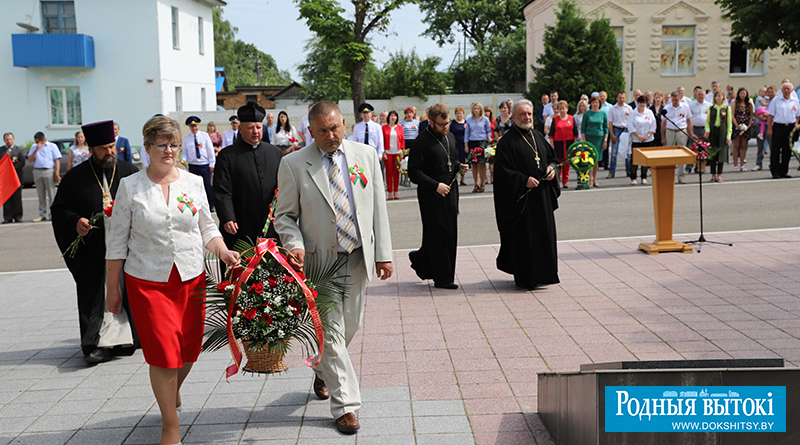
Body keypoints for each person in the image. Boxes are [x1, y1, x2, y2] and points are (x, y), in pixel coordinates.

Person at [106, 115, 239, 445]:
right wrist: (112, 289)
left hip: (191, 276)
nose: (170, 150)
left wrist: (223, 252)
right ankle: (171, 425)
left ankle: (171, 391)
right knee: (164, 352)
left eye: (175, 144)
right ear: (147, 148)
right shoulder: (130, 187)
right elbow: (116, 241)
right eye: (162, 144)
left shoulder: (193, 183)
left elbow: (207, 227)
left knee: (189, 350)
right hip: (147, 280)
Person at [274, 101, 393, 435]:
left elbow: (377, 207)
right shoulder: (294, 163)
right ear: (310, 131)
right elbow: (284, 216)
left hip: (357, 256)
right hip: (319, 263)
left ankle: (322, 370)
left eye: (335, 128)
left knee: (350, 326)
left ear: (345, 123)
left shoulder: (366, 155)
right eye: (322, 130)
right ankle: (346, 407)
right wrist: (294, 244)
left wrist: (383, 253)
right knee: (333, 333)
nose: (330, 135)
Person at [51, 120, 140, 364]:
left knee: (125, 289)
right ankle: (96, 343)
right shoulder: (75, 178)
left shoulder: (129, 173)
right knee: (95, 292)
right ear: (90, 148)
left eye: (112, 146)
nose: (110, 152)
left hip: (125, 248)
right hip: (93, 250)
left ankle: (127, 337)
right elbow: (59, 209)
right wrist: (75, 221)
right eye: (103, 148)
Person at [493, 99, 559, 290]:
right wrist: (523, 180)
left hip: (543, 198)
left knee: (543, 236)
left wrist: (552, 169)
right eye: (522, 114)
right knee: (526, 240)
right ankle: (526, 278)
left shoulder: (538, 136)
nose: (527, 117)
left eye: (529, 114)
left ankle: (544, 275)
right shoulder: (507, 142)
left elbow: (552, 158)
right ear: (513, 116)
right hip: (522, 202)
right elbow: (502, 172)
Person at [408, 103, 467, 289]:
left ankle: (421, 260)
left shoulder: (450, 136)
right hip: (430, 195)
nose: (446, 127)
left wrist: (460, 167)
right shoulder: (421, 142)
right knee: (438, 235)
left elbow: (451, 161)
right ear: (431, 122)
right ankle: (443, 279)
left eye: (447, 123)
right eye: (442, 124)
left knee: (450, 235)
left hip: (450, 193)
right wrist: (435, 186)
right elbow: (413, 172)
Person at [213, 101, 282, 248]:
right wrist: (227, 217)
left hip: (271, 225)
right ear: (240, 129)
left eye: (258, 127)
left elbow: (283, 187)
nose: (255, 131)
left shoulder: (275, 153)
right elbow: (222, 191)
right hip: (239, 224)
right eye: (250, 128)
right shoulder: (227, 155)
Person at [181, 116, 216, 212]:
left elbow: (210, 151)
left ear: (198, 126)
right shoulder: (187, 139)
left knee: (207, 185)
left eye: (195, 126)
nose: (194, 128)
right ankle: (195, 204)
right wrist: (183, 159)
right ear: (189, 127)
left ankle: (211, 204)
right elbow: (184, 153)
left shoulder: (205, 136)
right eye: (192, 126)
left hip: (204, 165)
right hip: (193, 165)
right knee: (193, 186)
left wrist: (212, 164)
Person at [766, 82, 800, 179]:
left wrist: (796, 123)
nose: (786, 91)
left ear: (791, 90)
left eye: (788, 89)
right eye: (784, 89)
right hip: (778, 127)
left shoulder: (795, 101)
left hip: (790, 128)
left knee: (787, 150)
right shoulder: (776, 100)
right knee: (776, 150)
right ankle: (775, 171)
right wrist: (770, 129)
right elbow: (770, 116)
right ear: (781, 90)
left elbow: (797, 115)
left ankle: (784, 171)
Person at [27, 131, 61, 222]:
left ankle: (52, 214)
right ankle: (42, 214)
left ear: (43, 140)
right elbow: (30, 159)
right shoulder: (34, 147)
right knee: (40, 194)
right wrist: (36, 149)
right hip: (37, 171)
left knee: (51, 194)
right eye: (36, 142)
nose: (37, 143)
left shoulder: (52, 146)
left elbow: (57, 160)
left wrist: (56, 173)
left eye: (38, 142)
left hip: (49, 171)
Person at [661, 91, 693, 184]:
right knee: (668, 154)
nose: (674, 101)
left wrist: (691, 133)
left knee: (682, 154)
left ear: (680, 98)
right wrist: (663, 137)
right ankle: (669, 176)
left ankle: (681, 176)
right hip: (670, 131)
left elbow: (689, 121)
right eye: (673, 99)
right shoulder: (667, 108)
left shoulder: (685, 107)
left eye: (676, 99)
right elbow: (663, 123)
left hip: (681, 131)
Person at [627, 96, 657, 185]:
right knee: (635, 160)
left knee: (645, 160)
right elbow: (630, 125)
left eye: (644, 102)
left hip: (648, 140)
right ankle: (633, 177)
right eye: (641, 102)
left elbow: (653, 125)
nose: (642, 104)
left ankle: (644, 177)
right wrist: (639, 136)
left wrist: (647, 136)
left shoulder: (649, 112)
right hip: (637, 140)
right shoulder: (633, 113)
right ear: (638, 103)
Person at [705, 91, 733, 183]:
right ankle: (713, 175)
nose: (718, 98)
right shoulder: (711, 108)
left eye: (719, 96)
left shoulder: (726, 108)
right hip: (713, 132)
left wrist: (729, 135)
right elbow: (707, 121)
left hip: (722, 132)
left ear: (723, 97)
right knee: (712, 154)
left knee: (721, 154)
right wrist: (707, 130)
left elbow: (729, 123)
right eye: (716, 96)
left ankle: (719, 175)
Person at [548, 100, 577, 188]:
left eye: (563, 108)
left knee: (566, 164)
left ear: (567, 109)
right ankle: (557, 181)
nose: (562, 110)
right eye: (560, 109)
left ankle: (565, 181)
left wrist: (574, 146)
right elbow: (551, 135)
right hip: (558, 144)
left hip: (569, 144)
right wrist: (552, 146)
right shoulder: (555, 119)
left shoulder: (571, 118)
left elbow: (575, 133)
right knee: (558, 164)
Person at [581, 96, 608, 188]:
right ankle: (589, 179)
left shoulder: (603, 114)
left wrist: (605, 140)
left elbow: (606, 128)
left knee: (596, 160)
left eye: (597, 102)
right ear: (591, 103)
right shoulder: (587, 114)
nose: (595, 104)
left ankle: (595, 179)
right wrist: (584, 140)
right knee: (589, 160)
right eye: (593, 102)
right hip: (589, 138)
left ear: (599, 104)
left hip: (599, 139)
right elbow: (583, 128)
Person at [465, 102, 491, 193]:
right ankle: (476, 184)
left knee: (481, 163)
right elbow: (466, 133)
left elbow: (488, 131)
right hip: (472, 141)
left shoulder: (485, 119)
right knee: (474, 164)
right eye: (475, 109)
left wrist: (489, 137)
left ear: (481, 109)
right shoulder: (469, 120)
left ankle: (482, 183)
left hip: (482, 142)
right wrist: (466, 145)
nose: (476, 110)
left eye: (478, 108)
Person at [607, 92, 632, 178]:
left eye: (623, 98)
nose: (622, 99)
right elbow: (610, 123)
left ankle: (629, 171)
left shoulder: (629, 108)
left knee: (627, 152)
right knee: (614, 153)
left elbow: (631, 121)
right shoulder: (612, 109)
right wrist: (612, 134)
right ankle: (611, 172)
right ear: (617, 98)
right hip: (616, 129)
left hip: (626, 130)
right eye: (620, 98)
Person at [1, 133, 25, 223]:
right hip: (5, 179)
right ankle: (7, 217)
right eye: (7, 139)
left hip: (16, 178)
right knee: (7, 198)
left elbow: (22, 162)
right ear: (4, 140)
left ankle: (18, 216)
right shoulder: (1, 150)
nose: (9, 141)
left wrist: (11, 170)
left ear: (14, 139)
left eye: (10, 139)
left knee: (17, 198)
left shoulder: (19, 150)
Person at [382, 110, 405, 200]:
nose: (393, 117)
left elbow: (402, 139)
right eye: (391, 115)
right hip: (388, 152)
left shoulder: (399, 127)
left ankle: (396, 191)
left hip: (398, 153)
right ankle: (390, 192)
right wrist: (383, 152)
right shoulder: (384, 128)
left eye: (395, 116)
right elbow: (382, 140)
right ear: (389, 117)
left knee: (396, 173)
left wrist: (402, 150)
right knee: (389, 173)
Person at [689, 86, 711, 173]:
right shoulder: (691, 106)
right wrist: (690, 132)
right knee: (692, 148)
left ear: (705, 96)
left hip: (704, 129)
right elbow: (689, 119)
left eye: (702, 94)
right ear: (696, 96)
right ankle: (689, 166)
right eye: (699, 95)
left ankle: (701, 167)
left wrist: (708, 131)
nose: (701, 96)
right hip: (695, 128)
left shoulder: (709, 105)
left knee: (703, 149)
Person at [731, 87, 754, 172]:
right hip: (737, 126)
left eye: (744, 93)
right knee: (736, 146)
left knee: (743, 146)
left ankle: (742, 164)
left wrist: (748, 126)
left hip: (746, 126)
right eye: (741, 93)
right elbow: (732, 115)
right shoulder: (735, 103)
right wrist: (737, 126)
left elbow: (751, 116)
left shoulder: (749, 104)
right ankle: (735, 165)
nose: (742, 95)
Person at [449, 106, 468, 185]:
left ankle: (463, 179)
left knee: (463, 162)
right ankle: (455, 178)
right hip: (455, 144)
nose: (459, 115)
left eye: (460, 113)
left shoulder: (466, 122)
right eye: (457, 113)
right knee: (455, 162)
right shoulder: (452, 123)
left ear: (463, 114)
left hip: (463, 145)